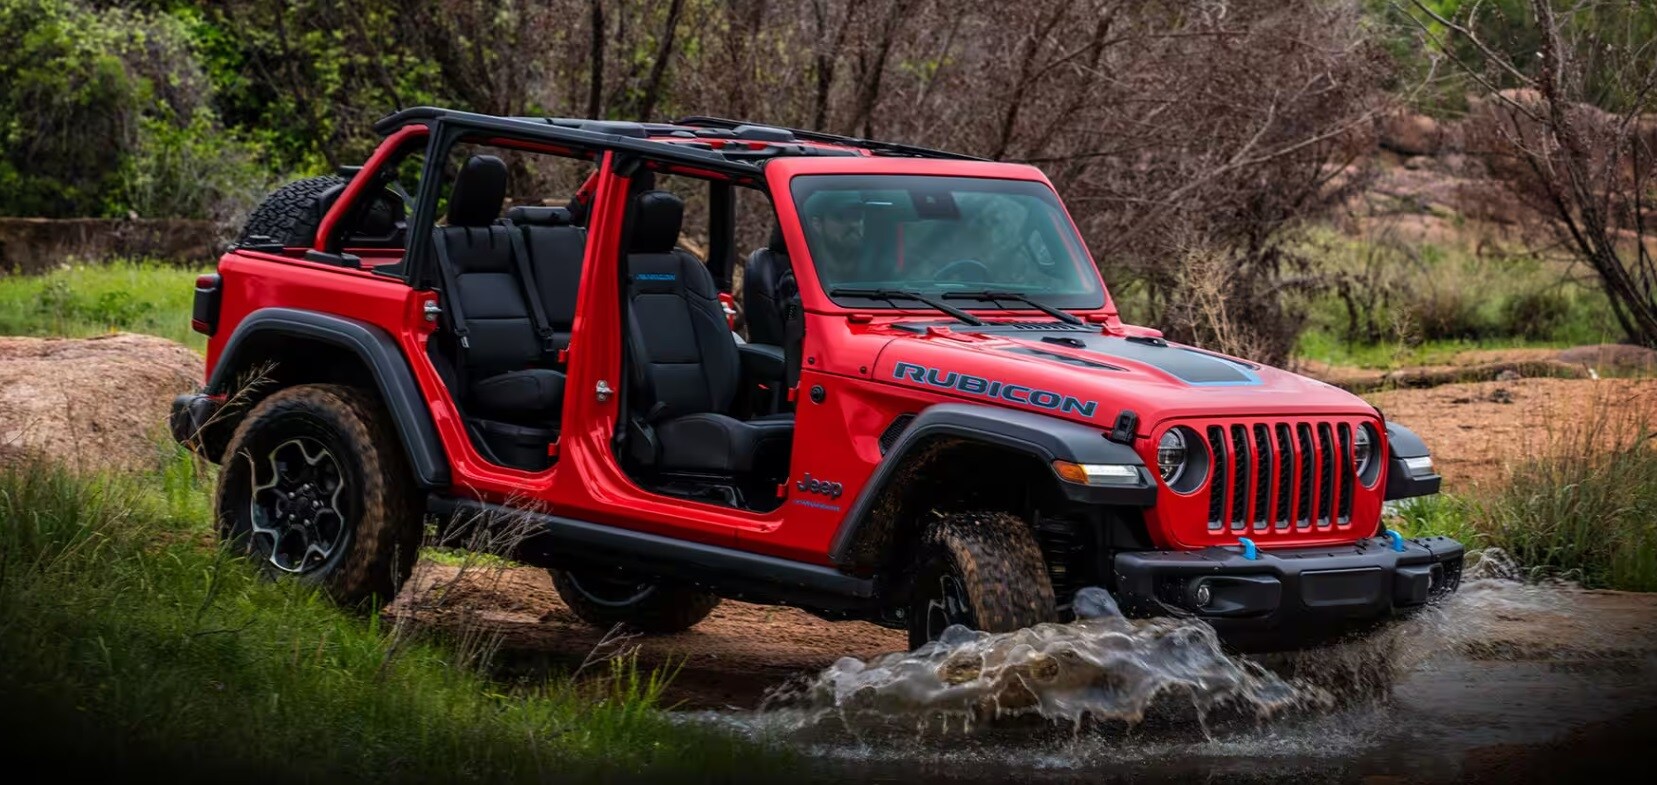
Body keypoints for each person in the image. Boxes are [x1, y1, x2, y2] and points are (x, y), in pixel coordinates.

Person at [803, 192, 866, 283]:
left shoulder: (880, 273)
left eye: (857, 217)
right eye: (840, 217)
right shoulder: (803, 273)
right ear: (818, 225)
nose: (853, 224)